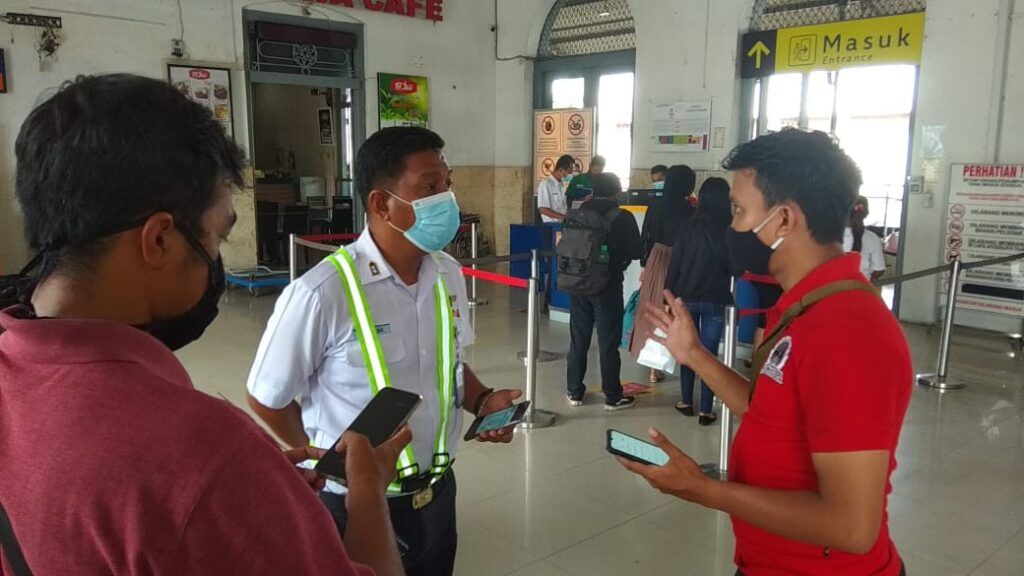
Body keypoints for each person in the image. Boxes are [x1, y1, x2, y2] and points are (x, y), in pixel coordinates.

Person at [0, 74, 406, 575]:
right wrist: (368, 488)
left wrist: (244, 499)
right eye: (216, 236)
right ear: (159, 241)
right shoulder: (200, 448)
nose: (215, 258)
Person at [622, 129, 911, 576]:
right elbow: (768, 409)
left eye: (738, 211)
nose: (730, 225)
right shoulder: (800, 305)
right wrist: (695, 354)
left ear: (783, 220)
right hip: (766, 561)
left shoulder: (848, 331)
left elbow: (853, 527)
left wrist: (703, 489)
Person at [247, 126, 521, 576]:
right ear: (381, 204)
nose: (447, 199)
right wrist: (330, 461)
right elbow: (265, 396)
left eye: (447, 184)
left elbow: (451, 362)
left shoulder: (448, 274)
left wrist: (483, 400)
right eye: (430, 188)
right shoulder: (322, 292)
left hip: (438, 492)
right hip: (354, 505)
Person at [566, 172, 642, 410]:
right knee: (608, 343)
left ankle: (574, 391)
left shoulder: (576, 214)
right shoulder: (622, 216)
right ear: (617, 192)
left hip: (576, 284)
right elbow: (636, 250)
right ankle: (612, 396)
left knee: (578, 340)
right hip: (607, 285)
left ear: (591, 191)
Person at [663, 177, 734, 425]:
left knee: (688, 350)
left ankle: (686, 401)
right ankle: (706, 409)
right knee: (708, 354)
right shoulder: (729, 229)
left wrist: (667, 294)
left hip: (687, 297)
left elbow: (676, 264)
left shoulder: (687, 227)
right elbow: (736, 268)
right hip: (716, 297)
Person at [631, 165, 697, 383]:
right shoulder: (690, 210)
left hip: (657, 259)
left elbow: (646, 235)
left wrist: (644, 264)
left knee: (653, 310)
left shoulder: (656, 205)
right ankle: (679, 361)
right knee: (675, 312)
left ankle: (652, 366)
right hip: (682, 261)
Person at [844, 196, 887, 282]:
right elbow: (879, 269)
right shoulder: (872, 238)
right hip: (861, 289)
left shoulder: (830, 236)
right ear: (866, 214)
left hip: (832, 291)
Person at [538, 154, 575, 223]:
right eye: (569, 173)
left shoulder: (561, 185)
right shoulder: (545, 184)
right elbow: (543, 209)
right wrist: (563, 217)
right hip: (551, 225)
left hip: (562, 224)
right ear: (561, 170)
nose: (570, 175)